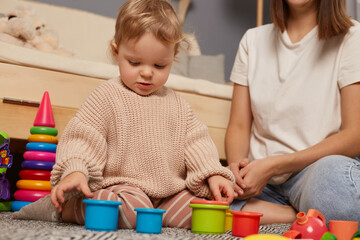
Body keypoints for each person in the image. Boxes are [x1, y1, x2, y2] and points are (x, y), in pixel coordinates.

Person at [13, 0, 235, 229]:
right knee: (128, 211)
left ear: (173, 56)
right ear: (116, 51)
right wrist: (76, 171)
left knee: (202, 212)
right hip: (122, 189)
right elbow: (83, 138)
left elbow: (197, 143)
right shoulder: (107, 96)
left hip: (168, 193)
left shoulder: (179, 105)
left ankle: (153, 212)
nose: (147, 73)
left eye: (159, 66)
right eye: (135, 62)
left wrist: (212, 174)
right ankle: (65, 209)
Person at [226, 0, 360, 225]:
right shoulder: (252, 40)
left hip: (314, 173)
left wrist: (275, 165)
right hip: (261, 182)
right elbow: (239, 125)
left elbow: (354, 136)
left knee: (337, 187)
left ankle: (282, 213)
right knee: (201, 192)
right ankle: (298, 216)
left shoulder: (352, 37)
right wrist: (236, 172)